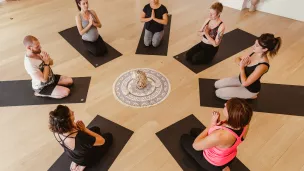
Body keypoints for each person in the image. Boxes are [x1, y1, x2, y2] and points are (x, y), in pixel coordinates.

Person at [180, 98, 253, 171]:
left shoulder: (220, 135)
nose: (225, 104)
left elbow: (195, 146)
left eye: (226, 106)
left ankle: (221, 168)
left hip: (212, 163)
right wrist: (220, 124)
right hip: (228, 156)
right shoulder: (245, 124)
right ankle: (224, 167)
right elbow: (229, 131)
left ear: (231, 115)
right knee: (193, 131)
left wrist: (211, 124)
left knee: (184, 138)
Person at [215, 33, 282, 100]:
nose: (253, 46)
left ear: (264, 49)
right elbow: (237, 59)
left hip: (249, 89)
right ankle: (240, 92)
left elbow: (245, 83)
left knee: (219, 93)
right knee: (217, 84)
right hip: (240, 79)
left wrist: (242, 67)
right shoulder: (254, 52)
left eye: (256, 45)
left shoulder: (263, 66)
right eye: (254, 43)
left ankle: (250, 96)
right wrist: (241, 63)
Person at [49, 105, 113, 171]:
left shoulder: (57, 130)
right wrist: (85, 129)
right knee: (109, 136)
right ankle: (83, 165)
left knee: (96, 129)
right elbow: (102, 141)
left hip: (72, 155)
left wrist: (74, 125)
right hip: (86, 159)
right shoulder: (79, 138)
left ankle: (76, 161)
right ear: (68, 122)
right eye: (71, 113)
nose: (73, 112)